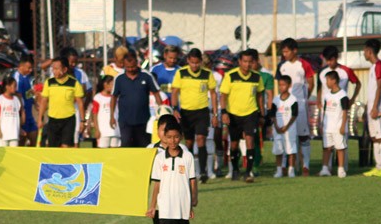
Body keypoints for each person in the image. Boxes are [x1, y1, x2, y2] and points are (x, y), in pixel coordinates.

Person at [147, 119, 197, 224]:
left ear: (181, 137)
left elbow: (192, 180)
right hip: (165, 205)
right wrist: (152, 205)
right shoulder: (160, 158)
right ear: (164, 138)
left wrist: (193, 201)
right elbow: (157, 183)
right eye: (169, 137)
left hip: (182, 204)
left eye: (176, 137)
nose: (172, 140)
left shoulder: (187, 156)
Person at [219, 49, 266, 182]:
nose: (247, 64)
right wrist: (224, 112)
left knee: (250, 140)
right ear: (239, 62)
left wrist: (262, 114)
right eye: (244, 61)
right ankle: (235, 169)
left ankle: (248, 172)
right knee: (234, 144)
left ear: (253, 62)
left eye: (250, 62)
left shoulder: (257, 77)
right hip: (233, 114)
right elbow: (223, 95)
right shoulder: (230, 76)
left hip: (251, 113)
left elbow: (259, 96)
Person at [171, 49, 218, 181]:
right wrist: (175, 108)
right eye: (192, 63)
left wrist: (215, 114)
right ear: (188, 61)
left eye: (197, 63)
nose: (194, 66)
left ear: (201, 62)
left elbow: (213, 94)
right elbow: (175, 92)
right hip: (186, 113)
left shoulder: (207, 74)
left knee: (201, 139)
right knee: (189, 142)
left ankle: (203, 172)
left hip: (202, 112)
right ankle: (190, 171)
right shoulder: (181, 73)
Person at [277, 38, 315, 176]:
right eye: (283, 51)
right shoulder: (282, 66)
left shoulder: (303, 65)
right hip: (285, 107)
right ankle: (285, 166)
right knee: (285, 135)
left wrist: (303, 98)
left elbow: (311, 83)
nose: (285, 54)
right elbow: (280, 85)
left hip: (300, 106)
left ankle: (306, 166)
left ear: (295, 51)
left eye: (287, 51)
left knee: (303, 136)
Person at [110, 51, 162, 148]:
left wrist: (161, 112)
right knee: (126, 144)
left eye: (132, 67)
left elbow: (156, 94)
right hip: (125, 120)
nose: (130, 69)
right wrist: (112, 116)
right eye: (127, 67)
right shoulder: (119, 78)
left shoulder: (146, 76)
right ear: (124, 65)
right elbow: (113, 97)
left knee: (143, 146)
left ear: (137, 63)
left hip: (143, 119)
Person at [39, 57, 85, 148]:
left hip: (68, 120)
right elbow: (44, 101)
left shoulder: (74, 83)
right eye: (53, 69)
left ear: (64, 69)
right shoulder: (49, 82)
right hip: (53, 120)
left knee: (66, 147)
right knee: (53, 148)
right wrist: (40, 118)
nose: (54, 71)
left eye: (56, 69)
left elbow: (80, 103)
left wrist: (82, 121)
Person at [362, 39, 381, 177]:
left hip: (378, 108)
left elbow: (380, 86)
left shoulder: (379, 65)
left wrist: (375, 107)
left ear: (369, 51)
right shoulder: (373, 67)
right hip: (372, 108)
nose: (363, 53)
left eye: (364, 50)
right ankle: (378, 166)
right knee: (374, 137)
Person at [319, 70, 350, 178]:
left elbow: (345, 111)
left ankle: (341, 169)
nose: (326, 83)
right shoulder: (327, 96)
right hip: (328, 126)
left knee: (340, 148)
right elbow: (325, 111)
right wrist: (322, 124)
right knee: (327, 148)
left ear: (334, 80)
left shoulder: (343, 95)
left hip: (337, 126)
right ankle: (324, 168)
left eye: (327, 80)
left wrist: (342, 126)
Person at [271, 75, 299, 178]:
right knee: (278, 149)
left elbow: (295, 114)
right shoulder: (276, 99)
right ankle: (279, 170)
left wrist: (287, 126)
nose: (281, 87)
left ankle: (291, 170)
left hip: (289, 129)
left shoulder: (293, 99)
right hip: (277, 129)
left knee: (291, 149)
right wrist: (276, 126)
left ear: (289, 85)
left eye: (283, 85)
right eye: (279, 85)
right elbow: (273, 114)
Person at [13, 54, 39, 146]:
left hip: (29, 113)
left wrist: (35, 102)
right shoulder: (16, 77)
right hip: (21, 114)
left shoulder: (26, 77)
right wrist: (22, 111)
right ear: (21, 66)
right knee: (21, 140)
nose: (30, 70)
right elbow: (17, 95)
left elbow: (27, 93)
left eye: (31, 68)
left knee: (34, 133)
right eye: (28, 68)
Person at [0, 76, 24, 147]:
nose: (16, 88)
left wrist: (20, 129)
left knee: (12, 155)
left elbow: (18, 116)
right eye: (14, 86)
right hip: (3, 134)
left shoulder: (16, 99)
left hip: (14, 134)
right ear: (7, 86)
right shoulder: (0, 99)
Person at [91, 75, 121, 148]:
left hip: (116, 130)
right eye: (111, 84)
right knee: (103, 152)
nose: (113, 86)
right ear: (105, 84)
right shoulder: (98, 97)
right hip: (103, 131)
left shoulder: (117, 97)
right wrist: (97, 129)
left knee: (115, 151)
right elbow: (94, 114)